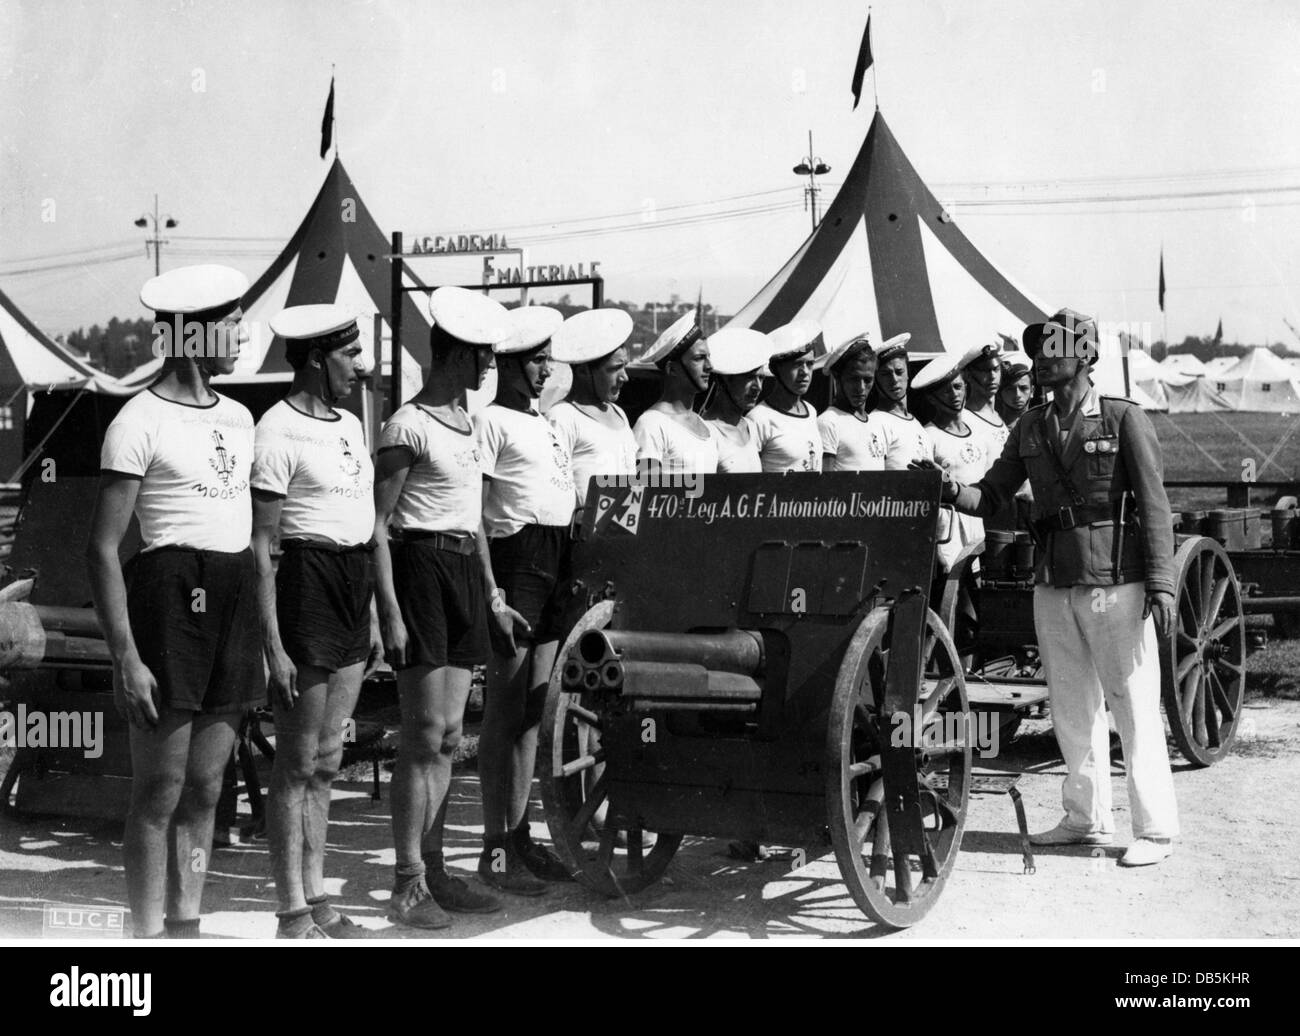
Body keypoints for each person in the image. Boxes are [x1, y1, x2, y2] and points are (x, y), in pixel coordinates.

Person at [923, 309, 1179, 867]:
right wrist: (947, 488)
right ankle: (1085, 820)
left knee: (1132, 702)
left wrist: (1161, 582)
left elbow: (1156, 505)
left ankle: (1154, 829)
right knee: (1069, 705)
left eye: (1052, 350)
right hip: (1053, 581)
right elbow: (990, 496)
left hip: (1117, 580)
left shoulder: (1122, 418)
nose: (1039, 361)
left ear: (1084, 356)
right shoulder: (1031, 426)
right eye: (1036, 352)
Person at [87, 264, 264, 939]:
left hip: (233, 599)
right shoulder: (137, 419)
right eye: (228, 324)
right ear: (189, 335)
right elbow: (103, 549)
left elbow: (252, 535)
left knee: (208, 789)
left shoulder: (241, 417)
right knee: (159, 791)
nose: (240, 335)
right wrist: (126, 658)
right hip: (167, 600)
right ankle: (146, 936)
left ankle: (186, 925)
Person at [374, 286, 526, 927]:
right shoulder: (405, 425)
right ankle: (407, 881)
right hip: (419, 571)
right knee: (424, 735)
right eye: (483, 354)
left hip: (465, 571)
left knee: (453, 736)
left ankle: (434, 871)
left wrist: (492, 595)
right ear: (454, 355)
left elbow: (475, 523)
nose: (490, 364)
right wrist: (390, 613)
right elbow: (377, 526)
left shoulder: (469, 424)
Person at [251, 304, 381, 939]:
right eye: (349, 356)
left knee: (330, 758)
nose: (361, 366)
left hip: (353, 585)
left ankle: (318, 896)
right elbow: (262, 545)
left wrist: (377, 612)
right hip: (306, 583)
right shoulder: (275, 429)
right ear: (312, 359)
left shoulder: (351, 424)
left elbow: (364, 520)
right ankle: (290, 911)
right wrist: (272, 643)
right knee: (297, 760)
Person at [475, 305, 578, 896]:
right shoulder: (489, 422)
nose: (545, 369)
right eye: (536, 359)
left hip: (555, 556)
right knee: (504, 713)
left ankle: (520, 838)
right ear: (508, 363)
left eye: (547, 359)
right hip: (515, 560)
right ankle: (494, 848)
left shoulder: (546, 422)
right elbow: (476, 516)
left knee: (534, 716)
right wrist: (492, 592)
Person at [913, 352, 991, 663]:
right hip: (947, 533)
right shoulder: (928, 436)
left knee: (972, 613)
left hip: (976, 528)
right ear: (932, 397)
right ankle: (935, 674)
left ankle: (967, 675)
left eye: (958, 387)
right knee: (945, 608)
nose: (954, 395)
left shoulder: (978, 430)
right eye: (945, 390)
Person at [548, 308, 638, 512]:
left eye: (625, 367)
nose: (625, 377)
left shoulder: (619, 413)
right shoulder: (562, 417)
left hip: (626, 531)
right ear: (582, 371)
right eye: (615, 369)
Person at [632, 309, 718, 475]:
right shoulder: (651, 424)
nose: (709, 366)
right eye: (699, 358)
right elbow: (644, 489)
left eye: (708, 357)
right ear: (672, 369)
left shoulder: (703, 424)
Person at [816, 332, 909, 471]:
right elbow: (822, 485)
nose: (861, 388)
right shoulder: (829, 422)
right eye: (854, 379)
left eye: (867, 380)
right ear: (837, 377)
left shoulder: (875, 424)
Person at [749, 321, 823, 472]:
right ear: (776, 369)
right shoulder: (758, 419)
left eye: (809, 364)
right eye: (797, 364)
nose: (805, 372)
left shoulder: (811, 411)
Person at [700, 327, 770, 472]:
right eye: (749, 377)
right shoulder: (705, 432)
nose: (758, 387)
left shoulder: (750, 427)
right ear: (725, 379)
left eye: (761, 378)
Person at [868, 336, 933, 469]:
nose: (894, 379)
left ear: (908, 373)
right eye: (886, 374)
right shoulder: (875, 422)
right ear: (876, 379)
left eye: (899, 372)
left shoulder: (918, 425)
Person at [961, 343, 1010, 457]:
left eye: (996, 369)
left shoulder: (998, 416)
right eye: (984, 370)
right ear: (968, 374)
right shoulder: (964, 419)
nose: (992, 376)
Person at [995, 350, 1034, 432]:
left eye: (1023, 388)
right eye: (1010, 389)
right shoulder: (993, 428)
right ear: (999, 394)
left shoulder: (1044, 425)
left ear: (1032, 391)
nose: (1017, 394)